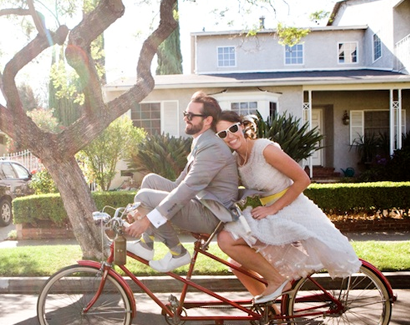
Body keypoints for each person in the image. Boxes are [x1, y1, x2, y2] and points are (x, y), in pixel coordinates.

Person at [215, 111, 361, 304]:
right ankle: (270, 315)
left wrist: (273, 208)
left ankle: (278, 282)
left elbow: (303, 179)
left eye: (233, 129)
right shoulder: (236, 159)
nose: (230, 135)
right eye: (222, 134)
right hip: (269, 213)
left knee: (226, 240)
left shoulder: (264, 149)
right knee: (237, 264)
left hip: (289, 210)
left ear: (242, 126)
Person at [124, 92, 239, 272]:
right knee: (150, 181)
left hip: (212, 215)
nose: (186, 118)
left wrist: (147, 218)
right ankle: (146, 244)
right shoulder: (201, 142)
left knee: (145, 196)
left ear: (208, 120)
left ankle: (178, 253)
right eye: (186, 114)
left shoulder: (212, 146)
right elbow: (179, 184)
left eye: (191, 116)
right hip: (201, 204)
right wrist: (140, 208)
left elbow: (187, 188)